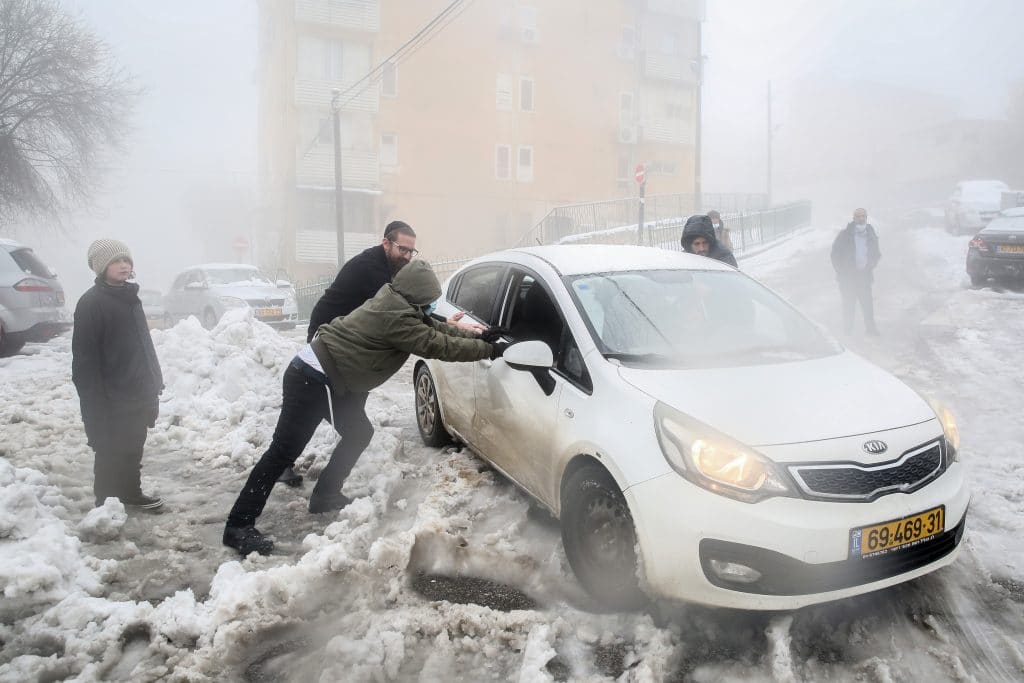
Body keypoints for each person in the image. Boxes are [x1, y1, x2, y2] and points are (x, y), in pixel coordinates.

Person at [222, 259, 506, 556]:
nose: (432, 304)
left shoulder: (397, 301)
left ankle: (326, 495)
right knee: (282, 452)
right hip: (311, 379)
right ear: (416, 295)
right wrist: (487, 349)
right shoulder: (397, 318)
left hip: (332, 378)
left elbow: (432, 327)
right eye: (430, 299)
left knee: (359, 433)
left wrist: (476, 336)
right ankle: (238, 526)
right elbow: (436, 344)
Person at [279, 220, 479, 487]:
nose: (407, 256)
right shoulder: (371, 270)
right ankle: (285, 461)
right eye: (402, 249)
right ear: (386, 243)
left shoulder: (391, 268)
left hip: (352, 340)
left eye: (411, 251)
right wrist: (447, 325)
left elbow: (411, 311)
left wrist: (445, 323)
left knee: (349, 401)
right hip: (329, 336)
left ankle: (343, 445)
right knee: (314, 405)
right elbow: (404, 314)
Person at [72, 239, 165, 511]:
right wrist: (95, 401)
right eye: (116, 261)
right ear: (101, 267)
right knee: (109, 451)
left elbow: (143, 344)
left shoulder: (130, 298)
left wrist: (153, 380)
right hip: (111, 395)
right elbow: (85, 360)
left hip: (137, 389)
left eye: (126, 260)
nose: (124, 265)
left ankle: (130, 494)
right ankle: (105, 505)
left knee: (133, 448)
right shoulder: (91, 303)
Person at [830, 207, 881, 335]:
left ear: (866, 218)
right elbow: (834, 254)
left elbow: (876, 253)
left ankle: (871, 330)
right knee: (848, 305)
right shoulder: (844, 234)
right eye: (858, 216)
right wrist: (841, 272)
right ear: (853, 218)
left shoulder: (870, 234)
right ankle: (848, 331)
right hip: (848, 278)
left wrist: (870, 265)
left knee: (867, 305)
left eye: (863, 216)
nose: (861, 218)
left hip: (864, 277)